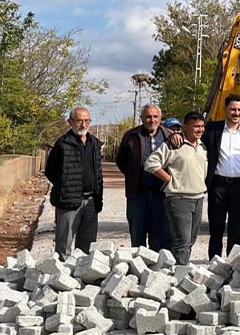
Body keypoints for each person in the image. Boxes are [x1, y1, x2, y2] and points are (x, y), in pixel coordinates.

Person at [202, 94, 240, 259]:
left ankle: (233, 264)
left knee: (235, 229)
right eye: (233, 109)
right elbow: (195, 139)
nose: (236, 113)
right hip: (218, 186)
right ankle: (214, 263)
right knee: (216, 228)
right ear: (225, 110)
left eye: (239, 110)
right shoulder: (212, 129)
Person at [144, 112, 208, 265]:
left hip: (198, 198)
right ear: (185, 127)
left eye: (202, 126)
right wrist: (168, 178)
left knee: (190, 240)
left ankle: (179, 268)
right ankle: (178, 275)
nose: (200, 130)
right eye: (196, 127)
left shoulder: (202, 146)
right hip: (179, 199)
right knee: (182, 241)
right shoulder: (173, 145)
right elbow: (150, 163)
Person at [114, 104, 175, 252]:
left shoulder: (170, 137)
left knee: (164, 236)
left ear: (160, 118)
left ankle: (162, 270)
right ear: (141, 118)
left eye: (155, 116)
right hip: (138, 195)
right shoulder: (131, 136)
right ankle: (139, 269)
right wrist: (133, 176)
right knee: (138, 236)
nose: (151, 120)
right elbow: (121, 160)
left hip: (162, 195)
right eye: (148, 116)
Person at [45, 107, 103, 259]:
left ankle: (82, 279)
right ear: (70, 122)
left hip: (91, 201)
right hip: (68, 202)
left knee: (87, 246)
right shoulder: (62, 144)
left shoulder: (95, 144)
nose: (83, 125)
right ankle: (61, 279)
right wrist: (66, 187)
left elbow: (97, 173)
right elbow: (50, 171)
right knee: (64, 245)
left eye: (86, 121)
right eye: (79, 121)